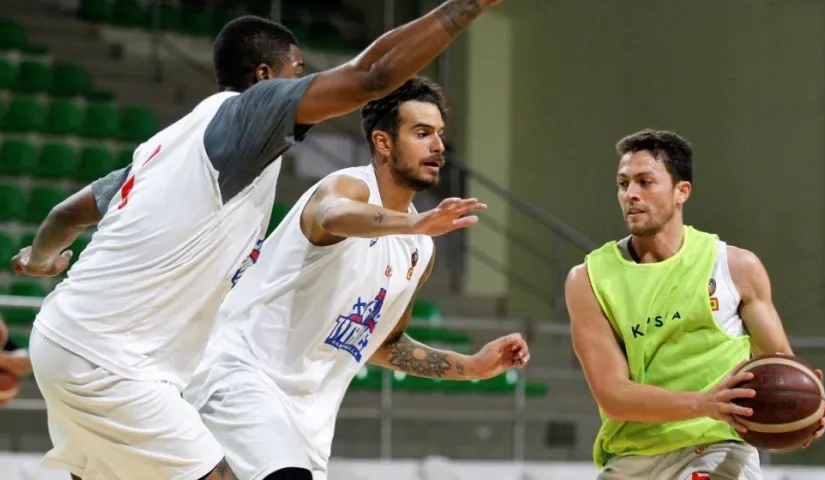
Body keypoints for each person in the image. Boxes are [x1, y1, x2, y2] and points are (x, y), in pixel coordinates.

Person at [10, 1, 507, 478]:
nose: (305, 85)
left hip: (83, 341)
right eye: (298, 71)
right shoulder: (255, 115)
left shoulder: (167, 147)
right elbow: (371, 77)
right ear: (266, 79)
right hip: (129, 361)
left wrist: (38, 260)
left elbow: (67, 212)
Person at [182, 77, 531, 480]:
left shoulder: (420, 251)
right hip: (240, 376)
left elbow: (383, 344)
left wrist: (471, 366)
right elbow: (332, 214)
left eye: (440, 134)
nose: (438, 146)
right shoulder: (349, 186)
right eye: (422, 133)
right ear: (383, 143)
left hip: (307, 420)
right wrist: (415, 222)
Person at [564, 129, 825, 479]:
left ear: (682, 191)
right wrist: (703, 403)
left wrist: (813, 406)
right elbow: (613, 394)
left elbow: (780, 362)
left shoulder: (735, 267)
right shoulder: (588, 279)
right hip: (632, 456)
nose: (630, 194)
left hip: (715, 448)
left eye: (645, 182)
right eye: (623, 183)